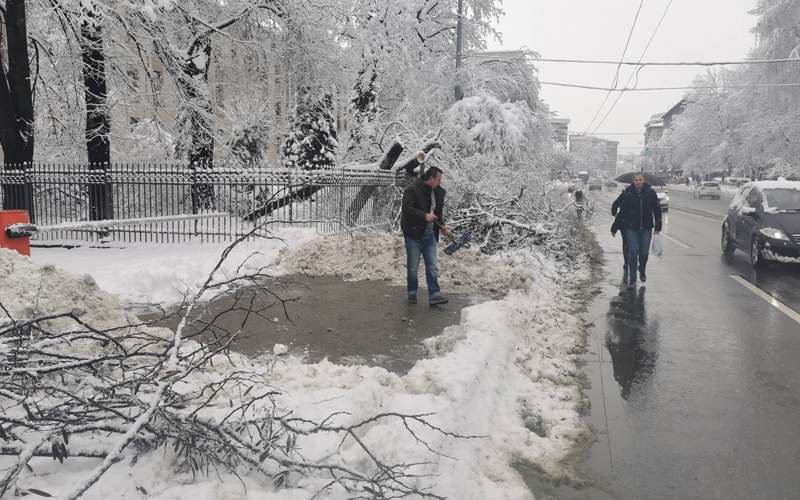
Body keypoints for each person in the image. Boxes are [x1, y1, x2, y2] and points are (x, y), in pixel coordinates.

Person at [400, 166, 449, 305]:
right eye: (438, 179)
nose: (440, 182)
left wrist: (442, 225)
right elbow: (407, 208)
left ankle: (434, 295)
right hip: (414, 235)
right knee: (413, 267)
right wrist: (424, 216)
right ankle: (412, 293)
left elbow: (437, 213)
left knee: (432, 266)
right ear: (431, 178)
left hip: (430, 235)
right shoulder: (412, 190)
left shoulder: (438, 192)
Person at [616, 172, 662, 290]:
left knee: (644, 253)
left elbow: (657, 210)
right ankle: (632, 280)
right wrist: (615, 226)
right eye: (636, 180)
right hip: (631, 228)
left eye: (640, 180)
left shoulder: (650, 193)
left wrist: (658, 227)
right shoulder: (628, 193)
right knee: (633, 253)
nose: (638, 182)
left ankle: (642, 269)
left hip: (646, 228)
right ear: (633, 181)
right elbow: (622, 212)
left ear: (644, 180)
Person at [610, 187, 629, 271]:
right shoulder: (625, 194)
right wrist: (615, 214)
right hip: (624, 224)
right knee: (626, 243)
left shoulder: (645, 194)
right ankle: (627, 261)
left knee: (630, 244)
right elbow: (615, 205)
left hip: (637, 225)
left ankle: (630, 260)